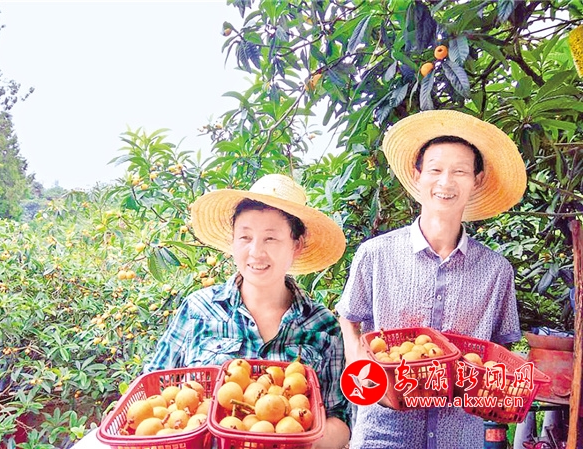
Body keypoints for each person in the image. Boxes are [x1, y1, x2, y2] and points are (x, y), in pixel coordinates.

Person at [335, 110, 527, 449]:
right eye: (435, 170)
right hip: (383, 432)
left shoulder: (496, 270)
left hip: (459, 436)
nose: (446, 182)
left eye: (460, 171)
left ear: (477, 179)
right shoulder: (375, 254)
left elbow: (500, 350)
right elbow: (349, 319)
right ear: (418, 175)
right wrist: (363, 365)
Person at [145, 173, 351, 448]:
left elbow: (340, 417)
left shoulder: (322, 325)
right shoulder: (198, 309)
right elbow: (152, 392)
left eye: (270, 238)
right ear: (233, 241)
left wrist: (299, 441)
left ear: (296, 245)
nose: (256, 252)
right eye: (245, 237)